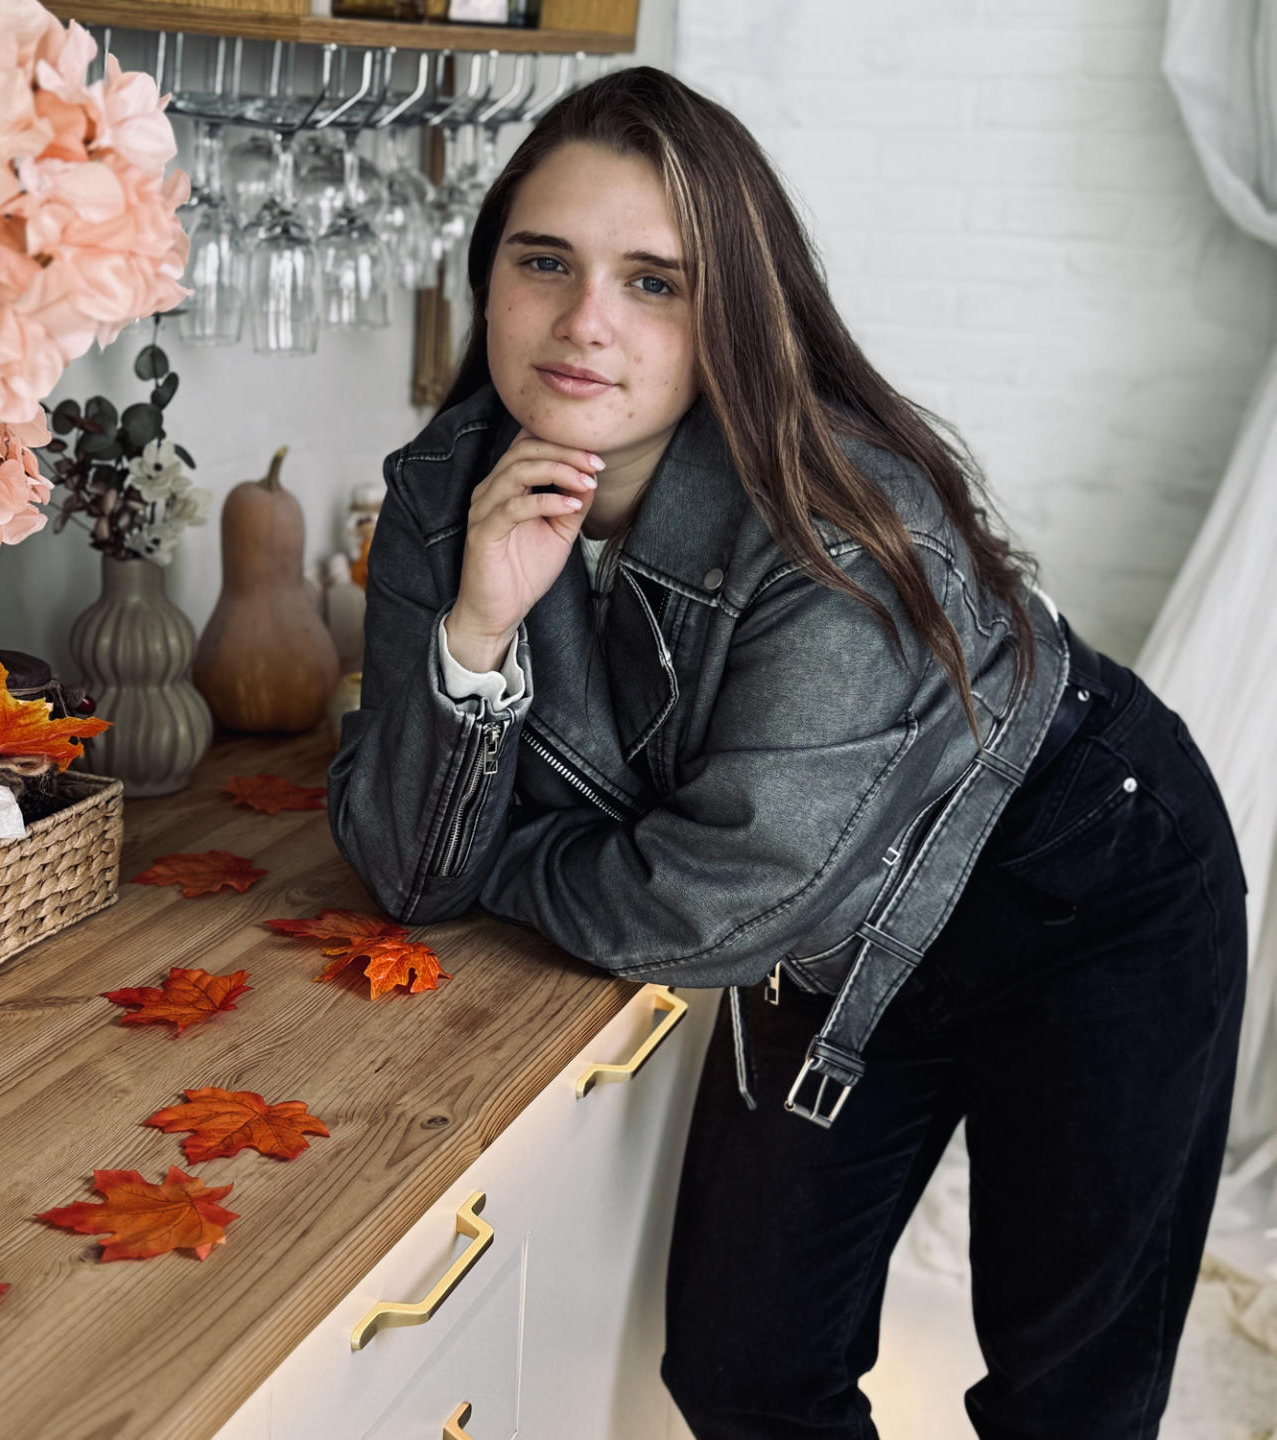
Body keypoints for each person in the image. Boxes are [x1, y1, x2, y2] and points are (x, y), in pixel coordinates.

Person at [327, 65, 1250, 1439]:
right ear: (490, 277)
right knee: (744, 1373)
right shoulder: (444, 493)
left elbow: (712, 904)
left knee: (1070, 1403)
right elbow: (411, 871)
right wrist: (478, 625)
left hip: (1088, 877)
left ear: (736, 316)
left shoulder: (839, 528)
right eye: (544, 261)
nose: (584, 322)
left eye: (655, 282)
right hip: (834, 932)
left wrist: (507, 853)